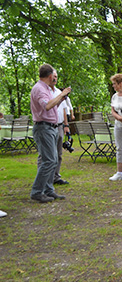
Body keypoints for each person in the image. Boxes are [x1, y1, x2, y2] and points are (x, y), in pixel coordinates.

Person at [30, 64, 71, 203]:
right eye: (54, 76)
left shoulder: (46, 88)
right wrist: (61, 94)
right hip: (43, 128)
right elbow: (46, 106)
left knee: (52, 159)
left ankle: (48, 190)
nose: (55, 79)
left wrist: (61, 99)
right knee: (49, 160)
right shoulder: (39, 89)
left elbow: (51, 108)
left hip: (51, 127)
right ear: (49, 76)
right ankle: (37, 191)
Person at [50, 71, 71, 186]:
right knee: (48, 154)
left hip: (59, 126)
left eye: (56, 76)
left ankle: (56, 176)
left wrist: (66, 125)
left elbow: (64, 110)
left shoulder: (59, 92)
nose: (55, 78)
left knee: (58, 153)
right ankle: (46, 178)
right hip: (48, 126)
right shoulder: (45, 92)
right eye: (53, 76)